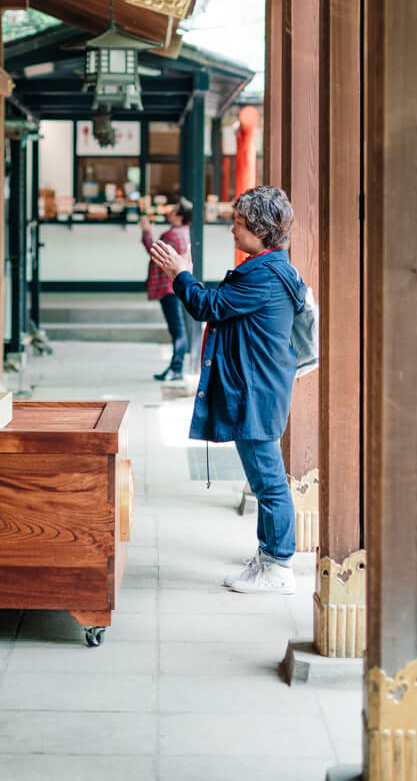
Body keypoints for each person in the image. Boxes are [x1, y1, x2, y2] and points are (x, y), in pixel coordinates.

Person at [149, 185, 305, 594]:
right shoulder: (268, 267)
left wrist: (179, 274)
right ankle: (269, 555)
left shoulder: (264, 274)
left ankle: (277, 566)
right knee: (263, 477)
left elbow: (209, 307)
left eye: (238, 222)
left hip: (256, 391)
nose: (232, 229)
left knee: (268, 481)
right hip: (258, 387)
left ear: (260, 228)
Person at [141, 201, 193, 381]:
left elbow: (153, 250)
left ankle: (176, 368)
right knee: (179, 328)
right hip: (178, 287)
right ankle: (175, 367)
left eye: (173, 211)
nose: (169, 213)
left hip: (168, 287)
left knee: (177, 330)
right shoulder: (185, 232)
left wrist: (146, 229)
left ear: (179, 216)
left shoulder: (171, 234)